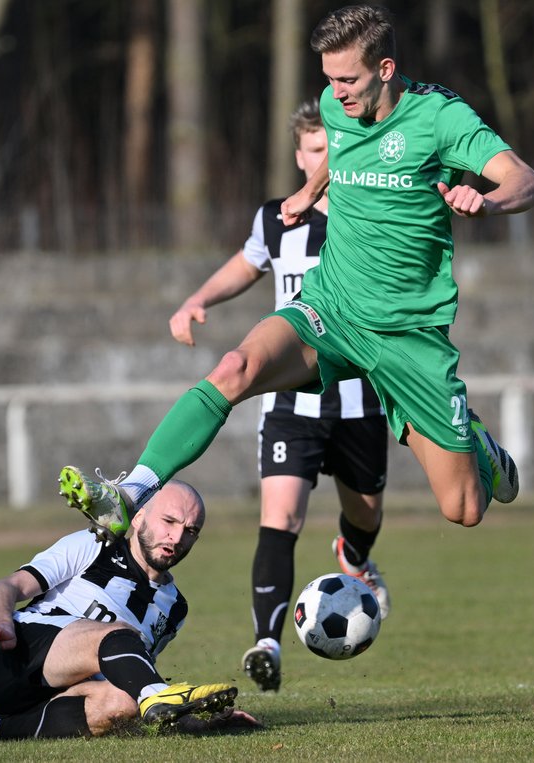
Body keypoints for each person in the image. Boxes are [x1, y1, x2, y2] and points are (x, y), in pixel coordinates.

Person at [58, 3, 534, 605]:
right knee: (235, 368)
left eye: (348, 80)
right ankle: (132, 490)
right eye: (329, 78)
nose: (335, 93)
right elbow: (341, 153)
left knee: (463, 508)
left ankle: (475, 443)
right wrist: (308, 191)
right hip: (331, 307)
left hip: (408, 334)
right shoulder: (338, 107)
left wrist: (488, 201)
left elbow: (526, 178)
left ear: (386, 69)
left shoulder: (441, 118)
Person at [167, 98, 390, 693]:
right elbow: (247, 265)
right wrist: (198, 300)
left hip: (360, 396)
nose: (326, 159)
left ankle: (354, 554)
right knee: (280, 517)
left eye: (333, 147)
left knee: (366, 513)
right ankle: (267, 642)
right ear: (299, 156)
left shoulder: (370, 211)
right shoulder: (277, 219)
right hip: (292, 404)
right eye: (315, 149)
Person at [0, 481, 260, 743]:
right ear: (138, 516)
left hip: (64, 693)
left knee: (125, 704)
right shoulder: (96, 544)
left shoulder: (175, 609)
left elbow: (130, 676)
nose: (177, 537)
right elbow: (7, 587)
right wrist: (0, 623)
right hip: (17, 656)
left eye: (190, 531)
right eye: (168, 521)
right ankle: (157, 694)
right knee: (118, 633)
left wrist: (198, 723)